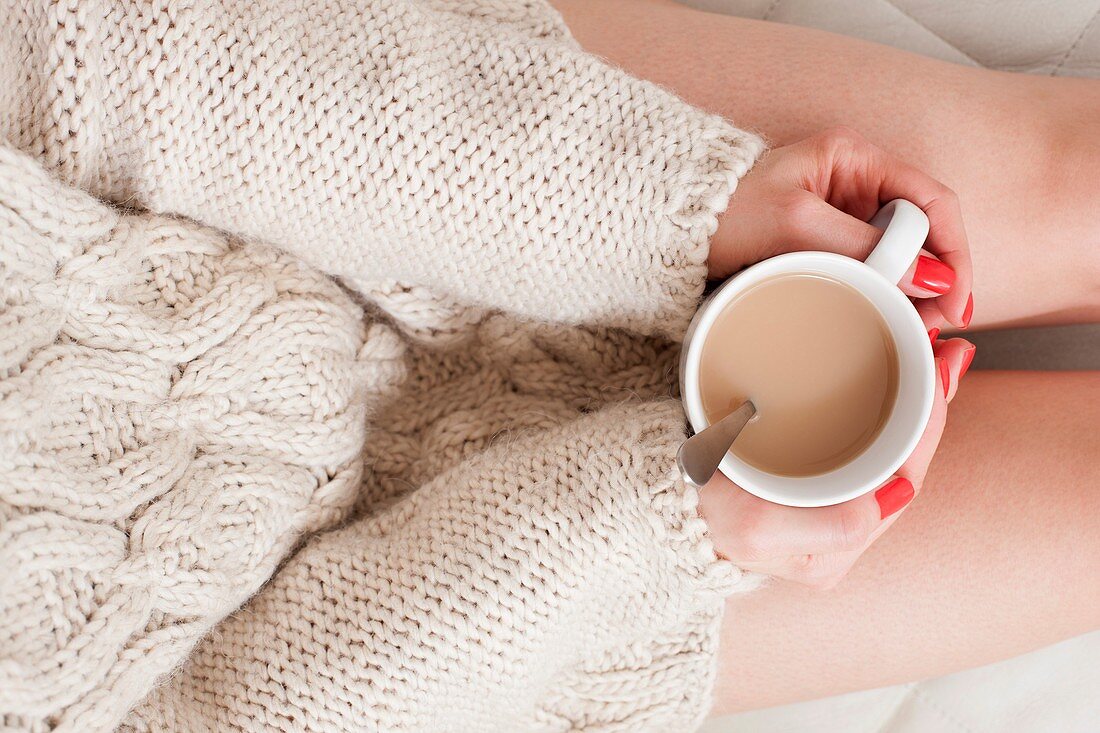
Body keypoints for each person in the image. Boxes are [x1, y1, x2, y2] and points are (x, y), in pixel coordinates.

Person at [0, 0, 1095, 730]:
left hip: (416, 185)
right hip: (485, 621)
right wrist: (657, 524)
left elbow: (101, 64)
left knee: (1073, 183)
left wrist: (678, 204)